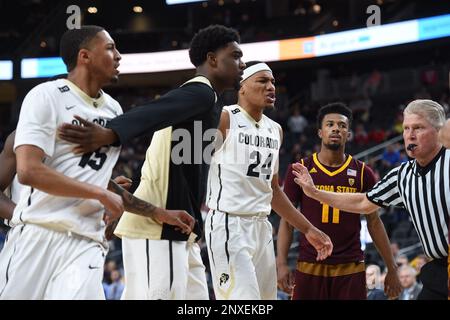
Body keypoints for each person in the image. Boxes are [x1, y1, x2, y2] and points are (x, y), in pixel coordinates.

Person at [0, 26, 193, 299]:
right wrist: (100, 193)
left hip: (86, 242)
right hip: (37, 236)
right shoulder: (46, 95)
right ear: (85, 56)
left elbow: (101, 184)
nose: (119, 56)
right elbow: (29, 171)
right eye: (110, 48)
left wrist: (159, 213)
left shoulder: (114, 109)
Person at [58, 24, 247, 300]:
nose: (242, 64)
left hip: (181, 228)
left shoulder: (211, 102)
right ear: (212, 59)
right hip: (159, 227)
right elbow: (154, 110)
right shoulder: (200, 91)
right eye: (236, 56)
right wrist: (110, 133)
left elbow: (182, 167)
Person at [292, 99, 449, 300]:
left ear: (438, 131)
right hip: (436, 269)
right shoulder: (401, 176)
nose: (410, 134)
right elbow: (363, 203)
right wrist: (315, 193)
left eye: (418, 128)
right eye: (406, 128)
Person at [205, 61, 332, 300]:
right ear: (242, 87)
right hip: (228, 223)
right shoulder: (224, 118)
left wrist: (308, 229)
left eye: (273, 82)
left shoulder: (276, 130)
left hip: (262, 227)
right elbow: (191, 163)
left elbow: (273, 190)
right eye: (262, 81)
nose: (271, 86)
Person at [277, 103, 401, 300]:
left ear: (348, 134)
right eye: (330, 124)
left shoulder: (363, 173)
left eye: (342, 126)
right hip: (310, 264)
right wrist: (281, 263)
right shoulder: (299, 169)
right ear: (320, 132)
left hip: (350, 266)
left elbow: (374, 223)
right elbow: (287, 221)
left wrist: (392, 268)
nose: (336, 128)